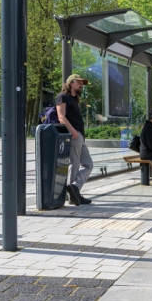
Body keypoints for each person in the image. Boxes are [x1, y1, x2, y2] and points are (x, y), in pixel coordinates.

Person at [55, 74, 93, 205]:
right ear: (71, 83)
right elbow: (61, 117)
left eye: (83, 83)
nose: (82, 85)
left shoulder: (74, 99)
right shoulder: (62, 97)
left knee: (88, 164)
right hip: (74, 135)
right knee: (75, 164)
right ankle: (71, 196)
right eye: (79, 82)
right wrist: (74, 133)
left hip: (79, 136)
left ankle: (75, 188)